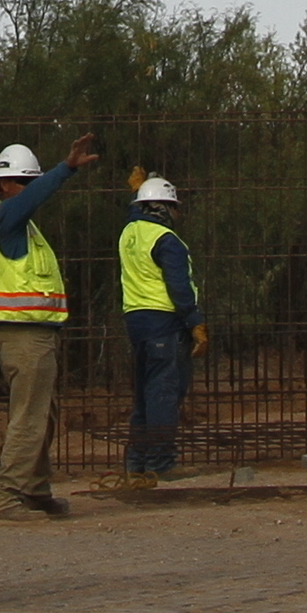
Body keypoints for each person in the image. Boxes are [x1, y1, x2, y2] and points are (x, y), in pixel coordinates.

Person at [0, 133, 101, 522]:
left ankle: (33, 488)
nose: (30, 191)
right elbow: (33, 199)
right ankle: (8, 496)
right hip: (23, 333)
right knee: (30, 416)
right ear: (4, 184)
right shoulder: (7, 216)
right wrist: (64, 170)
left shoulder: (21, 227)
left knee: (41, 414)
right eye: (25, 183)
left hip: (34, 332)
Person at [118, 174, 203, 481]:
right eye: (174, 207)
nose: (178, 215)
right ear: (164, 208)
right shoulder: (168, 242)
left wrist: (135, 194)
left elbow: (133, 214)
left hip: (136, 322)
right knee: (163, 394)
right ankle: (161, 463)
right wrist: (195, 322)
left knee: (144, 394)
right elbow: (179, 288)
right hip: (164, 323)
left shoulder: (130, 231)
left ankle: (137, 463)